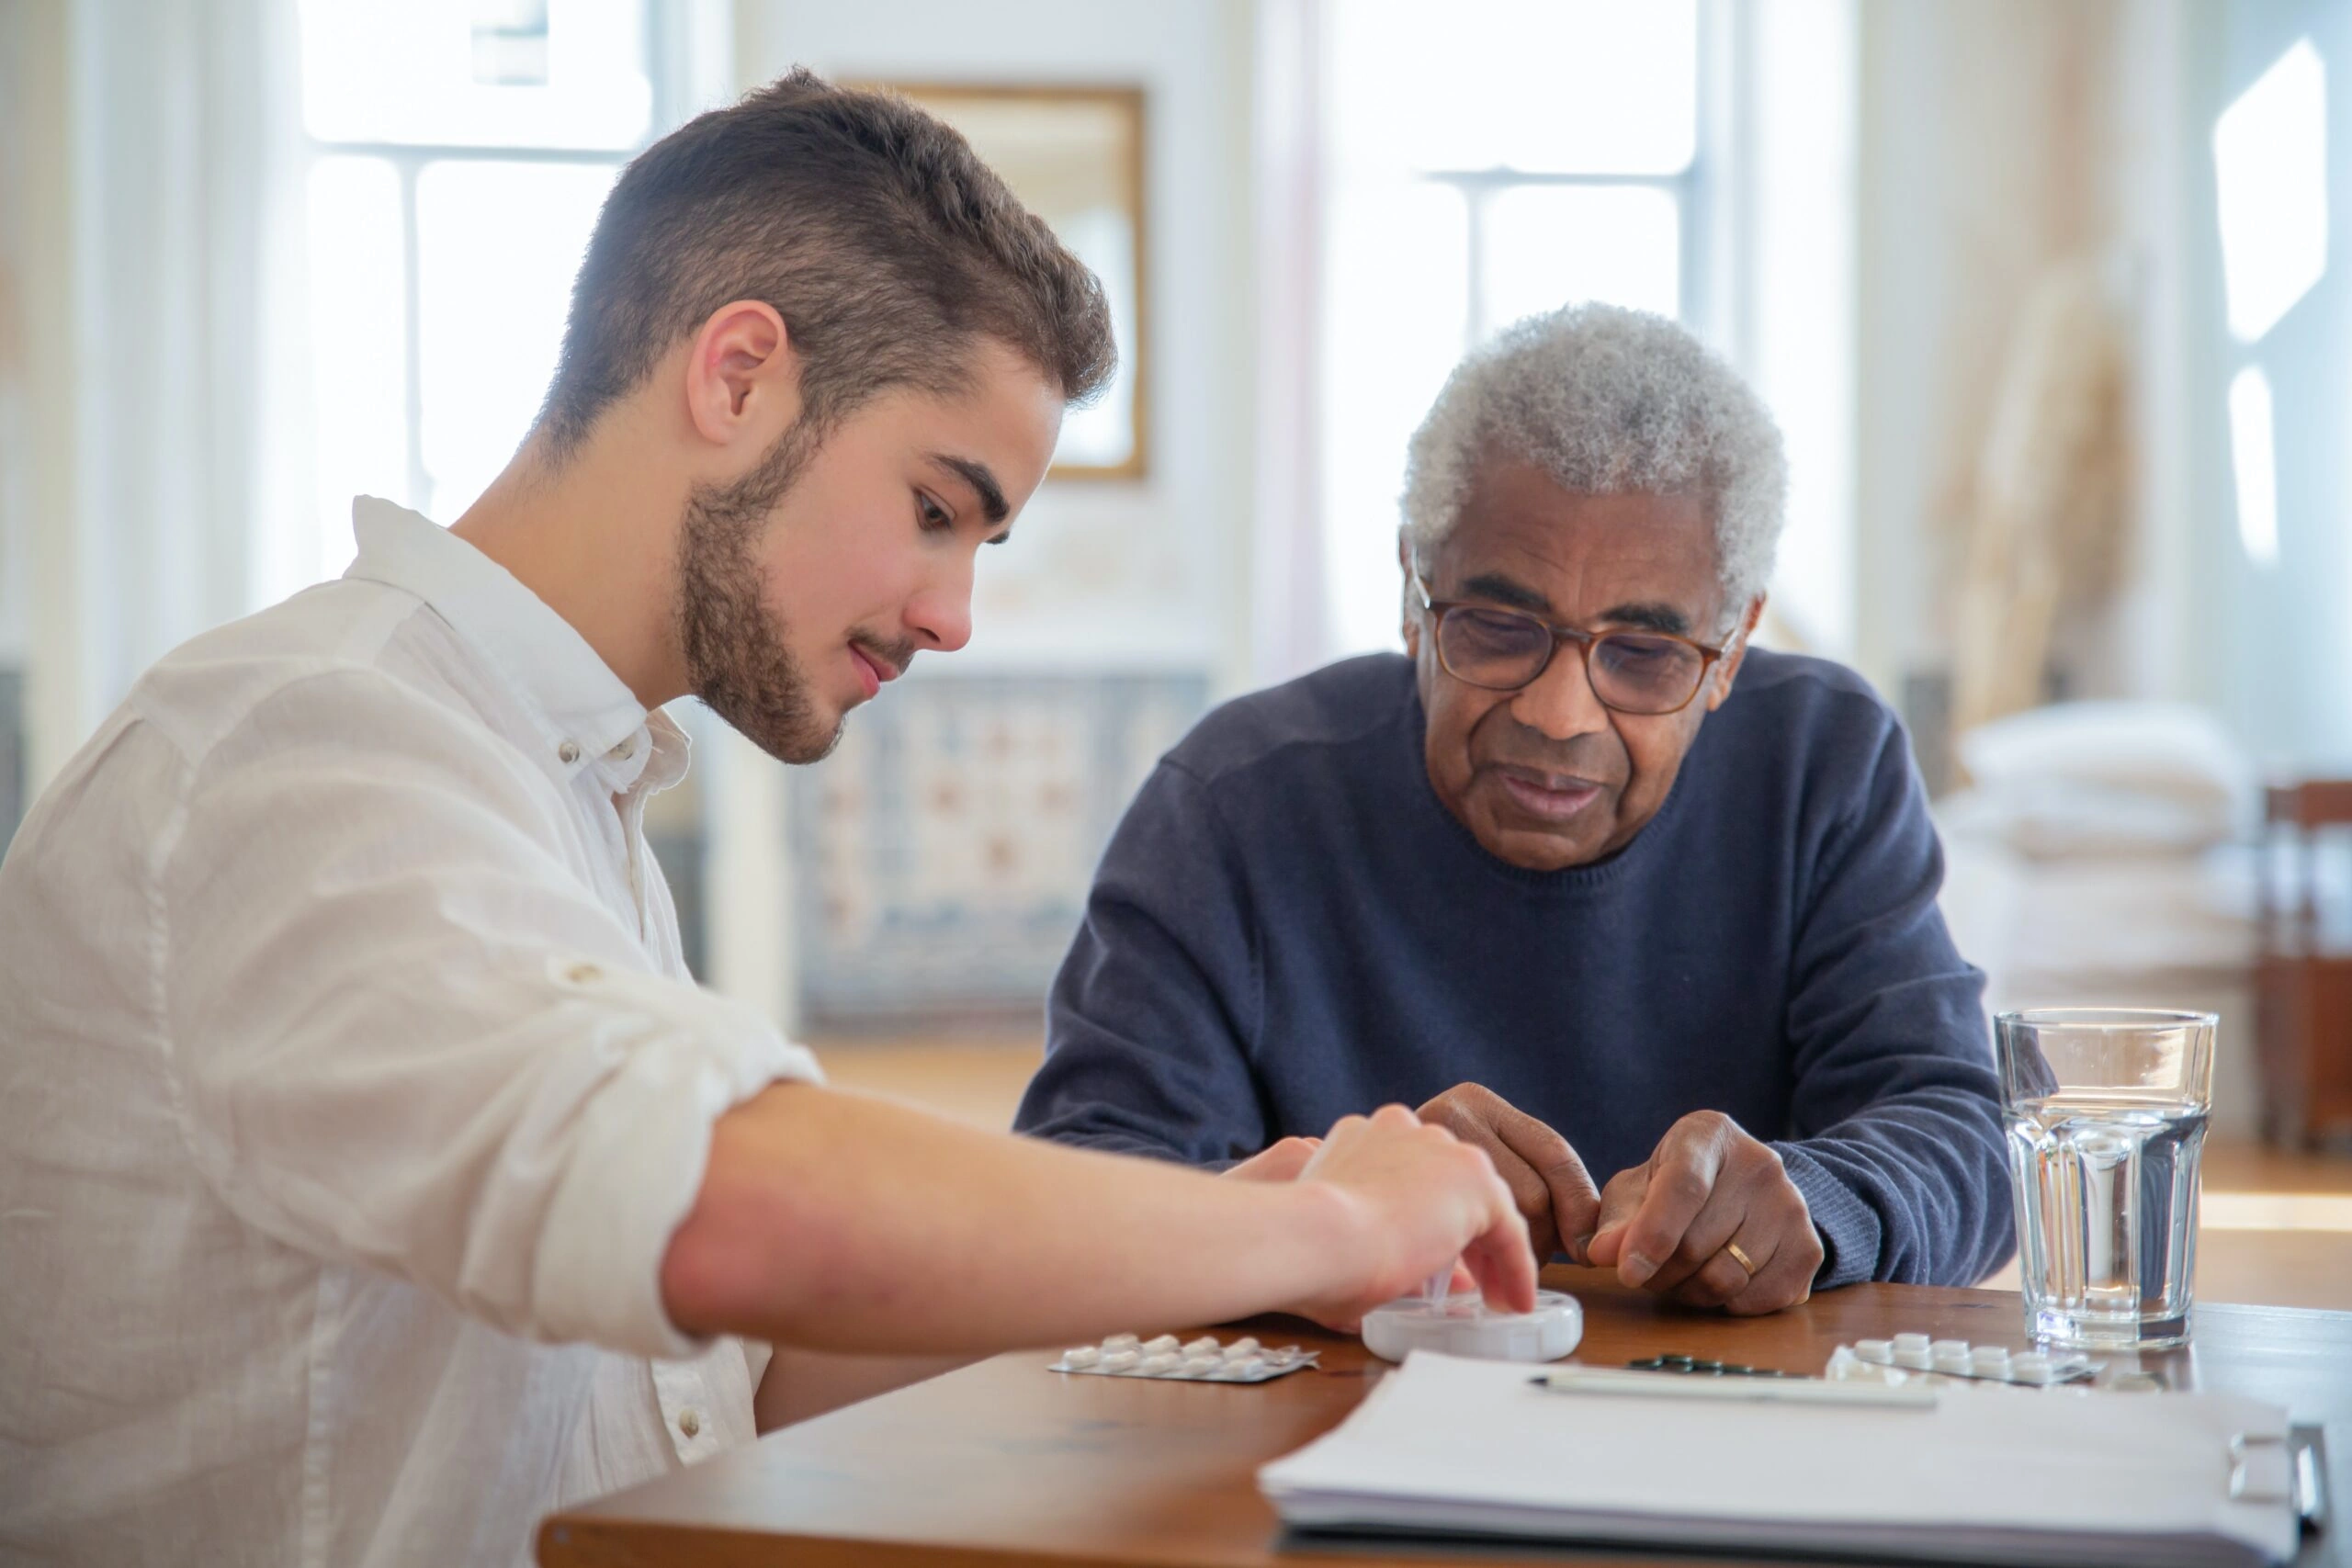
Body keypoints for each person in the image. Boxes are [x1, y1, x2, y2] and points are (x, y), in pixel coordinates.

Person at [0, 72, 1534, 1568]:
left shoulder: (559, 779)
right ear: (737, 376)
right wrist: (1324, 1235)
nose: (955, 618)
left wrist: (1196, 1227)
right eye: (939, 509)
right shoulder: (303, 745)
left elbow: (716, 1385)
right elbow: (723, 1206)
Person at [1018, 303, 2014, 1315]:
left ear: (1732, 646)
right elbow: (1079, 1199)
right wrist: (1341, 1207)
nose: (1557, 713)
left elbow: (1963, 1136)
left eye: (1644, 654)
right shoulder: (1234, 803)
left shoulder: (1823, 766)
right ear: (1413, 591)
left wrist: (1821, 1197)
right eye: (1497, 628)